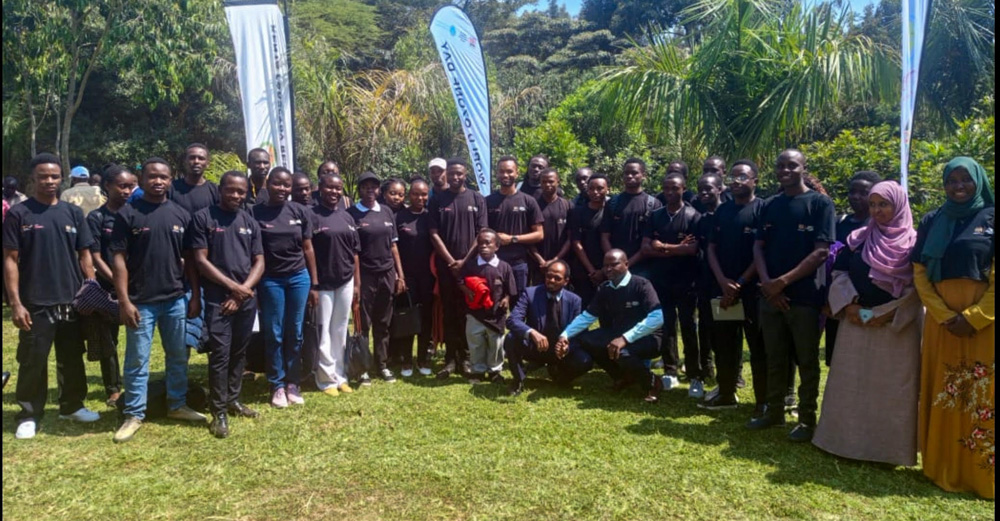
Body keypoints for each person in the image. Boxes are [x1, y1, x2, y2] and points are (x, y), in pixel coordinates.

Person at [813, 180, 922, 466]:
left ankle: (886, 451)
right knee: (851, 385)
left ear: (898, 205)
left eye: (883, 204)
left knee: (891, 391)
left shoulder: (914, 243)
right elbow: (840, 273)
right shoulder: (858, 238)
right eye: (873, 205)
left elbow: (918, 286)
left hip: (894, 329)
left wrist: (886, 312)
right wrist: (850, 305)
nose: (876, 210)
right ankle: (842, 442)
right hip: (856, 325)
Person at [912, 157, 994, 499]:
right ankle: (942, 466)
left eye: (965, 180)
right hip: (943, 323)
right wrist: (945, 316)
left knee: (983, 393)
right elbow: (919, 272)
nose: (958, 186)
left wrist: (974, 317)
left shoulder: (991, 218)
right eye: (951, 180)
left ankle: (981, 476)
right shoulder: (933, 219)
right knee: (945, 391)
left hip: (986, 324)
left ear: (978, 181)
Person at [4, 153, 101, 440]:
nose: (49, 181)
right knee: (33, 359)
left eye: (54, 176)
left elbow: (85, 254)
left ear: (62, 178)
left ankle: (71, 405)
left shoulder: (72, 213)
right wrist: (16, 303)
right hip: (36, 300)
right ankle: (29, 414)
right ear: (33, 179)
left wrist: (91, 289)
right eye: (43, 176)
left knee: (72, 357)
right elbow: (10, 259)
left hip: (71, 299)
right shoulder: (19, 214)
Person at [111, 157, 207, 444]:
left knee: (178, 355)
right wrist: (124, 301)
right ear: (143, 179)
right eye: (152, 176)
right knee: (137, 360)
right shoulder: (128, 214)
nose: (158, 181)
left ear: (170, 179)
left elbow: (190, 260)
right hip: (140, 302)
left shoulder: (180, 214)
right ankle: (134, 414)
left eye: (163, 177)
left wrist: (195, 295)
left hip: (175, 299)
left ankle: (177, 405)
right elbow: (118, 260)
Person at [748, 149, 836, 443]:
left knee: (806, 360)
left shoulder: (820, 204)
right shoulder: (770, 205)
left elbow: (821, 251)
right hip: (770, 296)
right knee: (775, 356)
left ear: (803, 168)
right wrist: (767, 285)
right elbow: (758, 247)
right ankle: (774, 412)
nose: (785, 170)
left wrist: (781, 283)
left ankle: (807, 420)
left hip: (803, 297)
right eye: (780, 165)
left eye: (792, 165)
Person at [190, 172, 266, 438]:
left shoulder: (249, 220)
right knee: (220, 354)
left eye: (241, 191)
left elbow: (259, 261)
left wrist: (242, 292)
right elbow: (200, 261)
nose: (236, 195)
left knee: (239, 351)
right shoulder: (203, 218)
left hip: (245, 299)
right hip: (217, 300)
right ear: (220, 190)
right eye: (231, 190)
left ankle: (233, 400)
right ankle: (218, 411)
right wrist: (233, 290)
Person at [251, 166, 319, 408]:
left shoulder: (299, 211)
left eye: (286, 185)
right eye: (277, 183)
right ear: (267, 184)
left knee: (296, 331)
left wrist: (314, 283)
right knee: (275, 332)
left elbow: (308, 248)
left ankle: (293, 382)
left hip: (299, 278)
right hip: (271, 280)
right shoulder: (255, 213)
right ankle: (276, 384)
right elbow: (253, 253)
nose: (282, 188)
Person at [558, 249, 665, 403]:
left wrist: (625, 338)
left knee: (622, 352)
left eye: (613, 265)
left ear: (626, 264)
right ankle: (623, 377)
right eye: (605, 266)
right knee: (586, 340)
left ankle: (652, 382)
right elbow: (587, 316)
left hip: (651, 338)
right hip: (620, 334)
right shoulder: (605, 288)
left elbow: (657, 318)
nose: (608, 269)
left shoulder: (641, 284)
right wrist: (565, 335)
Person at [702, 160, 767, 413]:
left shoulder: (763, 209)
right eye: (734, 177)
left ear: (755, 181)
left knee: (758, 347)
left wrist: (740, 283)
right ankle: (726, 393)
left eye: (743, 177)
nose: (737, 181)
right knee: (725, 344)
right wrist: (723, 282)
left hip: (752, 290)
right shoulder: (723, 211)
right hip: (724, 290)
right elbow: (711, 248)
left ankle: (763, 402)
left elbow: (762, 251)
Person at [641, 173, 701, 394]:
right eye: (666, 188)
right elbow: (646, 248)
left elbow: (692, 249)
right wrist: (676, 248)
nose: (670, 193)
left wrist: (663, 246)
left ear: (684, 189)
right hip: (661, 280)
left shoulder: (694, 216)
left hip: (686, 281)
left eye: (675, 188)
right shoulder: (655, 216)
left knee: (688, 327)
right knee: (666, 327)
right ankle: (670, 371)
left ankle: (695, 376)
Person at [428, 158, 488, 379]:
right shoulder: (437, 200)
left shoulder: (476, 199)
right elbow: (433, 233)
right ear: (446, 174)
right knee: (449, 312)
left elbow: (481, 233)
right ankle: (450, 359)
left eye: (459, 174)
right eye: (451, 174)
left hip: (471, 267)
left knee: (469, 313)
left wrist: (464, 261)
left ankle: (468, 358)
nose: (455, 177)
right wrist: (452, 261)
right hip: (446, 268)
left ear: (466, 174)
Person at [348, 171, 407, 384]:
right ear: (360, 190)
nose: (369, 191)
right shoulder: (351, 214)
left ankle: (382, 364)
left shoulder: (386, 212)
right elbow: (352, 252)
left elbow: (394, 246)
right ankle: (362, 367)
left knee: (384, 321)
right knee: (363, 322)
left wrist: (400, 275)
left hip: (387, 273)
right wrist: (356, 281)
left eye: (373, 187)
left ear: (378, 190)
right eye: (365, 187)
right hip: (365, 275)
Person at [85, 165, 137, 407]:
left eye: (131, 186)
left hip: (138, 286)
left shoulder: (137, 214)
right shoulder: (96, 218)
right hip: (108, 288)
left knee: (139, 337)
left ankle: (137, 384)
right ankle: (113, 388)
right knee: (108, 340)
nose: (128, 190)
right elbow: (95, 256)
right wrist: (118, 283)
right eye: (122, 185)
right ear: (107, 186)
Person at [505, 261, 593, 396]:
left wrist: (567, 347)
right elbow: (512, 320)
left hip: (560, 351)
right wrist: (532, 332)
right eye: (548, 276)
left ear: (566, 281)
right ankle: (518, 380)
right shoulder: (530, 293)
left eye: (557, 278)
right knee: (511, 338)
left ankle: (561, 379)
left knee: (585, 361)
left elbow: (581, 332)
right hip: (535, 346)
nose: (551, 280)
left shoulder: (575, 300)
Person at [309, 173, 360, 396]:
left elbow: (355, 253)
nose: (334, 192)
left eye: (338, 188)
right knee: (324, 331)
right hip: (323, 283)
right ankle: (325, 379)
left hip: (346, 280)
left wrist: (357, 283)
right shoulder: (312, 216)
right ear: (320, 188)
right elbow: (307, 250)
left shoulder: (347, 217)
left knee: (340, 329)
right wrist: (314, 284)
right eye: (330, 188)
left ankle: (341, 376)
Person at [825, 170, 882, 366]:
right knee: (839, 359)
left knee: (868, 357)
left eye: (863, 192)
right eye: (852, 191)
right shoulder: (838, 223)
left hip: (871, 304)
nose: (856, 197)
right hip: (840, 302)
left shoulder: (880, 227)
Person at [459, 228, 516, 383]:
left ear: (496, 246)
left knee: (496, 344)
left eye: (488, 243)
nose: (483, 246)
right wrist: (466, 289)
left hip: (496, 313)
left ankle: (495, 370)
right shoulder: (470, 265)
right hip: (475, 312)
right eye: (480, 243)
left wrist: (507, 299)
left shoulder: (504, 267)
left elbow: (510, 289)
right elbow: (460, 280)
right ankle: (477, 370)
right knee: (476, 342)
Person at [391, 177, 435, 377]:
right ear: (409, 195)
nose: (420, 197)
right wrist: (399, 276)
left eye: (424, 194)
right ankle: (406, 359)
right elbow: (394, 248)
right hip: (406, 277)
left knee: (426, 318)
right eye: (416, 194)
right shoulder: (400, 216)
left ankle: (423, 358)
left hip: (428, 277)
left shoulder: (430, 216)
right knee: (408, 318)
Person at [486, 156, 543, 297]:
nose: (506, 175)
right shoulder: (487, 201)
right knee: (493, 305)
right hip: (494, 263)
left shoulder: (528, 201)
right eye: (502, 171)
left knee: (518, 307)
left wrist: (512, 239)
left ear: (517, 173)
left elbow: (539, 234)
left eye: (510, 171)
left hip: (519, 264)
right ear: (497, 174)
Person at [601, 158, 662, 274]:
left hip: (643, 267)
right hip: (614, 268)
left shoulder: (653, 204)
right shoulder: (613, 203)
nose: (629, 176)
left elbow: (653, 241)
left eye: (634, 173)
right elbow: (604, 236)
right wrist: (614, 262)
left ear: (643, 175)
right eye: (626, 173)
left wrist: (627, 264)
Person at [569, 174, 609, 308]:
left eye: (600, 188)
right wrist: (592, 271)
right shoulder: (578, 212)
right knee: (582, 311)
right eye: (591, 188)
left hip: (608, 268)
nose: (595, 192)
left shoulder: (613, 211)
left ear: (607, 189)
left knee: (608, 311)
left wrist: (605, 270)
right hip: (584, 268)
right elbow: (576, 243)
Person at [532, 168, 572, 286]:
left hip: (561, 263)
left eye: (551, 181)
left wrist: (555, 260)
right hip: (538, 265)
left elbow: (570, 238)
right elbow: (529, 235)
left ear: (558, 182)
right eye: (544, 182)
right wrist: (541, 261)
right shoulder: (533, 205)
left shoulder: (567, 206)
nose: (547, 184)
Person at [169, 144, 219, 214]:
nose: (196, 161)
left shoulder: (215, 191)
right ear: (185, 161)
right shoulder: (171, 188)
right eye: (192, 158)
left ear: (208, 163)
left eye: (201, 158)